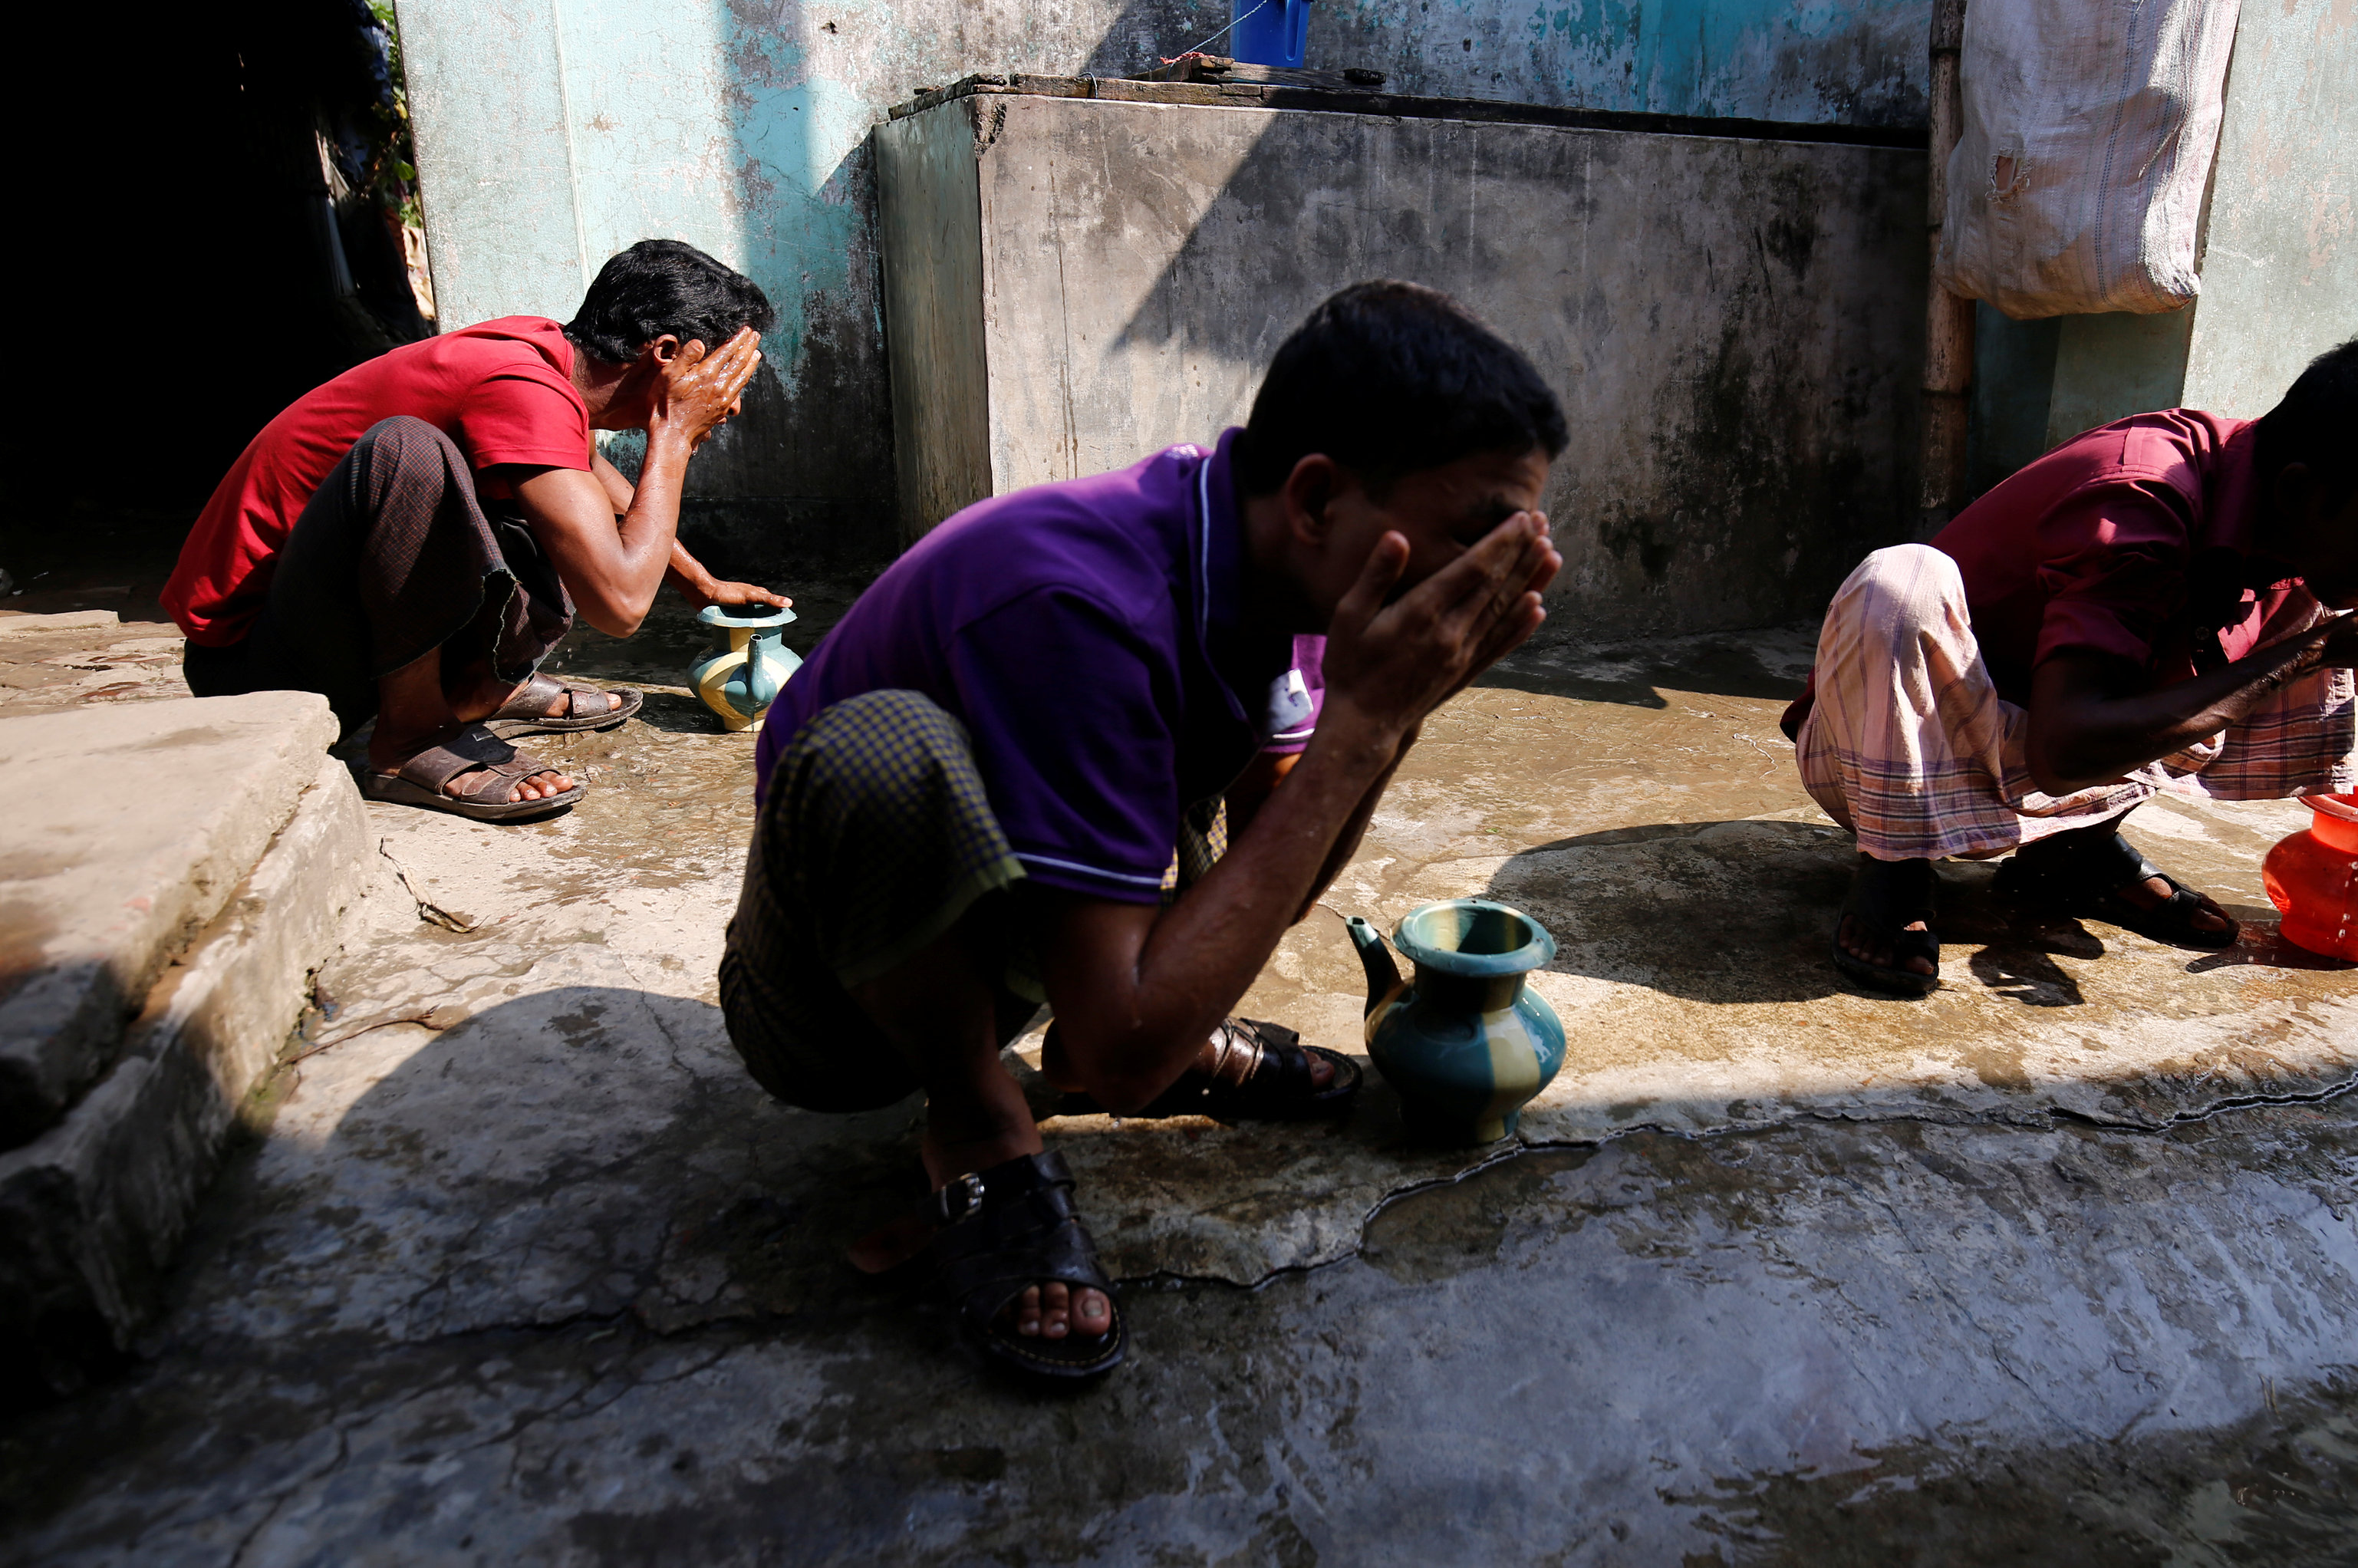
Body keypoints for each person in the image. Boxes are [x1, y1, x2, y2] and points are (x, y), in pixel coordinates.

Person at [720, 281, 1568, 1380]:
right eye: (1479, 536)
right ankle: (975, 1119)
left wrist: (1390, 718)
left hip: (1024, 934)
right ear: (1317, 498)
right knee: (885, 751)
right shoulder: (1081, 598)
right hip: (837, 1008)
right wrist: (1364, 725)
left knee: (1208, 820)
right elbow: (1128, 1061)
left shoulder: (1285, 576)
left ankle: (1113, 1024)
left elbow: (1278, 860)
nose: (1495, 577)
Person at [1787, 334, 2358, 995]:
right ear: (2301, 490)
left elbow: (2298, 626)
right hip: (1898, 758)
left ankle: (2072, 855)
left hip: (2051, 743)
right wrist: (2320, 650)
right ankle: (1895, 865)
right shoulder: (2138, 499)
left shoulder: (2282, 505)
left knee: (2308, 611)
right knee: (1901, 582)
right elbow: (2064, 756)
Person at [165, 239, 791, 821]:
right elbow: (620, 606)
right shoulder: (519, 383)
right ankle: (411, 738)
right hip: (254, 672)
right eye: (723, 377)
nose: (730, 403)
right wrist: (674, 436)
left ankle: (478, 687)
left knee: (560, 502)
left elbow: (585, 471)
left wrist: (700, 583)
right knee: (409, 450)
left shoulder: (547, 361)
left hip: (328, 630)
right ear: (667, 354)